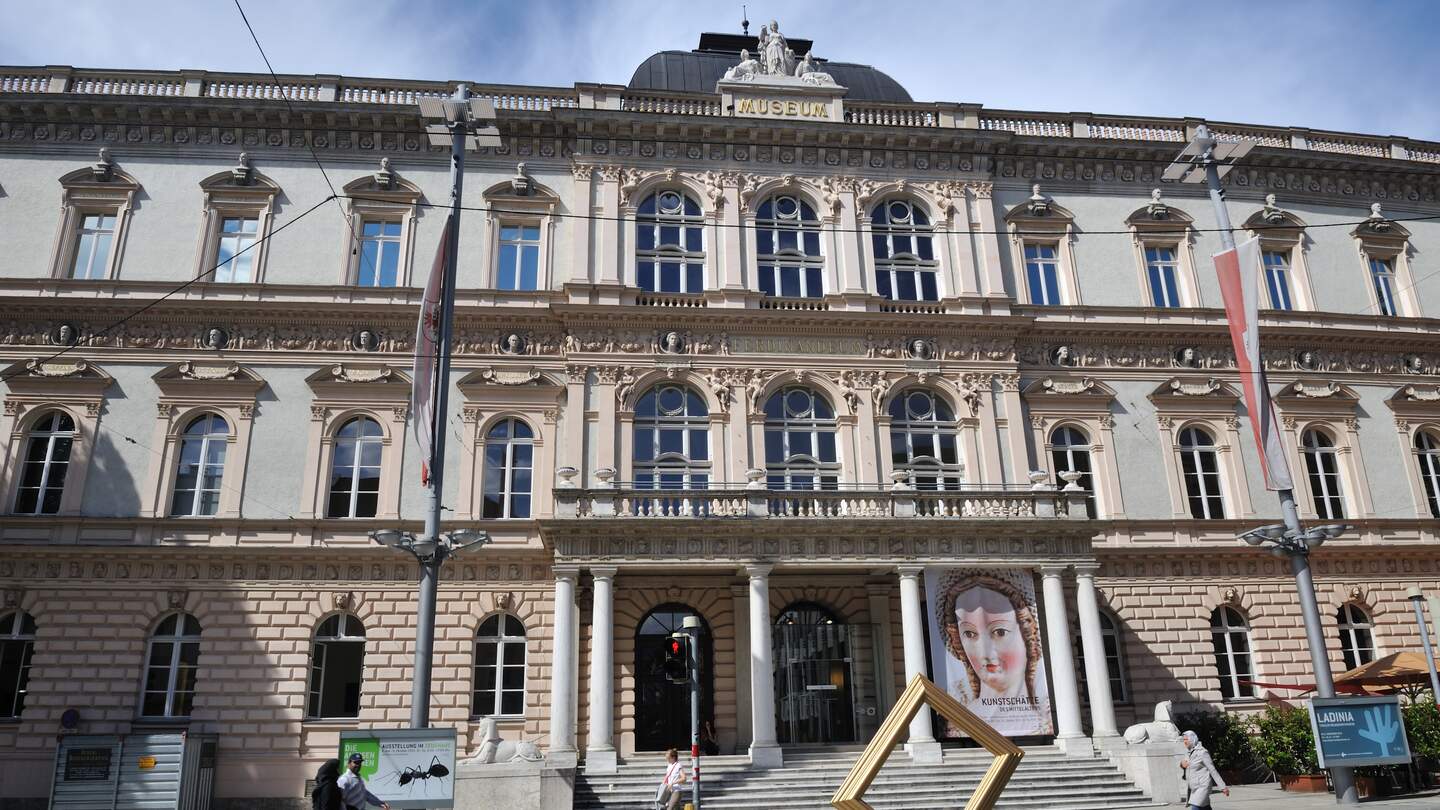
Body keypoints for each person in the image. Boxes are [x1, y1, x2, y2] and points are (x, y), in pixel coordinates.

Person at [936, 570, 1049, 736]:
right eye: (969, 634)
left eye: (1000, 632)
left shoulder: (1050, 719)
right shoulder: (955, 724)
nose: (985, 652)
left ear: (1027, 633)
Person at [1180, 730, 1229, 809]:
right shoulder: (1188, 752)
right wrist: (1182, 764)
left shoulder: (1203, 752)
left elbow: (1212, 770)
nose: (1184, 742)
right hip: (1193, 787)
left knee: (1195, 807)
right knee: (1205, 807)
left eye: (1186, 739)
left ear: (1192, 739)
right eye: (1184, 740)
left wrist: (1222, 786)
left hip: (1202, 786)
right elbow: (1185, 764)